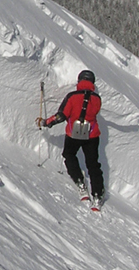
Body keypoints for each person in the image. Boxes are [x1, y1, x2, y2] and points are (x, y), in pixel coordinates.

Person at [38, 69, 105, 206]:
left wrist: (46, 122)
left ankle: (80, 182)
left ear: (79, 81)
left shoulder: (72, 96)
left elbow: (61, 116)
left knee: (69, 154)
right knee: (93, 164)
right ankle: (97, 194)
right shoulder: (97, 99)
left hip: (73, 133)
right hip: (92, 134)